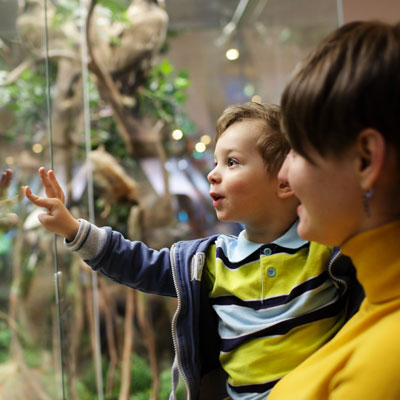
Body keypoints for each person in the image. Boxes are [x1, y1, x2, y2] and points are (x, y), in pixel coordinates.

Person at [25, 102, 359, 400]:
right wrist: (73, 228)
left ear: (284, 182)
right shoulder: (212, 260)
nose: (212, 174)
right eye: (216, 162)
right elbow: (138, 264)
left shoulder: (326, 249)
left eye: (231, 162)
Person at [269, 20, 400, 400]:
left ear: (364, 160)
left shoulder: (384, 365)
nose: (283, 174)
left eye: (296, 150)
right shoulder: (373, 303)